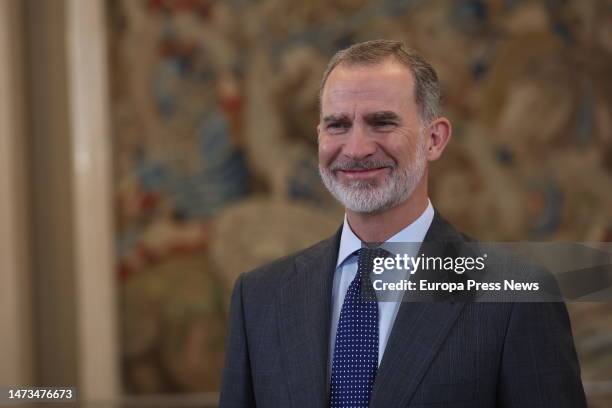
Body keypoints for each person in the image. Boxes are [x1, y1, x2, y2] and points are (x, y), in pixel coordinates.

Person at [219, 39, 586, 407]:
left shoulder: (517, 296)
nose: (356, 148)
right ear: (319, 137)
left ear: (434, 139)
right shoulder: (259, 298)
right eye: (338, 125)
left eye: (382, 122)